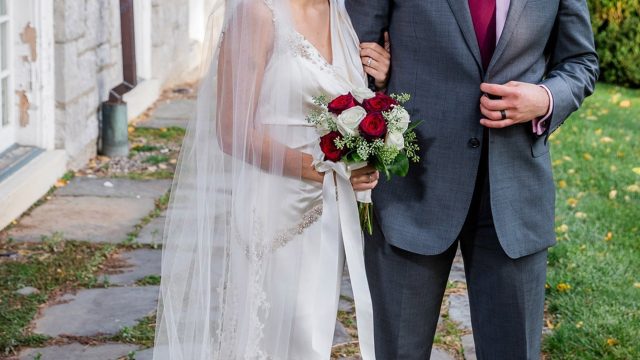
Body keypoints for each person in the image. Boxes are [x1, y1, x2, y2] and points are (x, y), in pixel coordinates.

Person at [346, 0, 599, 358]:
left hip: (515, 195)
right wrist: (379, 77)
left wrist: (544, 98)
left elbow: (581, 62)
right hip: (413, 187)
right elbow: (346, 49)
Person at [153, 0, 390, 358]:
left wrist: (383, 77)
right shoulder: (257, 13)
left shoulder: (344, 14)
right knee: (287, 335)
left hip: (329, 210)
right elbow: (233, 133)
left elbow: (355, 104)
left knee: (315, 333)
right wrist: (326, 171)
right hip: (277, 208)